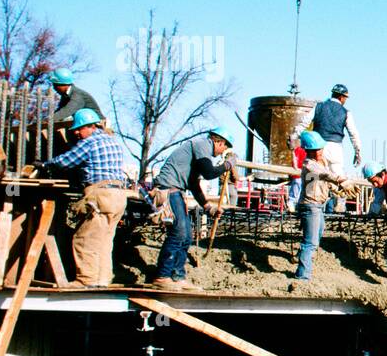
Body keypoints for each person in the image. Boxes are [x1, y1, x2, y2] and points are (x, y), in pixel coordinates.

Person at [34, 109, 131, 288]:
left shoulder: (90, 142)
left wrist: (45, 164)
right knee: (103, 240)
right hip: (118, 196)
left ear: (91, 126)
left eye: (79, 129)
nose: (76, 133)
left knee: (84, 238)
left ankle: (86, 280)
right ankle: (102, 280)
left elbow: (66, 161)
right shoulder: (112, 141)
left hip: (101, 195)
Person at [151, 126, 237, 290]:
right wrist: (227, 165)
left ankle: (177, 276)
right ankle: (162, 275)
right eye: (224, 146)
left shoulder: (199, 153)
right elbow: (209, 173)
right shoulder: (202, 144)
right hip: (169, 189)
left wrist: (207, 207)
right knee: (179, 232)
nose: (223, 151)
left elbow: (193, 184)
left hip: (177, 190)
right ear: (217, 141)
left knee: (187, 235)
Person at [291, 130, 361, 285]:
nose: (321, 153)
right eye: (318, 150)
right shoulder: (309, 165)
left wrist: (337, 189)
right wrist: (342, 180)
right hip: (310, 206)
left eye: (321, 149)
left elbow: (325, 181)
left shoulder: (318, 164)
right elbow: (325, 175)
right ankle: (302, 276)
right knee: (310, 242)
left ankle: (302, 256)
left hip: (318, 205)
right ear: (310, 151)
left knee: (318, 234)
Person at [308, 84, 362, 211]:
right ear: (342, 97)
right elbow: (353, 133)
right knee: (338, 176)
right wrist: (357, 152)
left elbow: (304, 121)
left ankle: (315, 205)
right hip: (335, 148)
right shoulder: (345, 112)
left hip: (318, 146)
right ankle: (339, 204)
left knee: (316, 177)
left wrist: (295, 136)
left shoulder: (319, 107)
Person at [49, 69, 105, 153]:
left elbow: (66, 111)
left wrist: (48, 120)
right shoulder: (66, 95)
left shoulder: (77, 95)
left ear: (63, 84)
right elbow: (59, 110)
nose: (54, 88)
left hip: (95, 127)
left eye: (56, 85)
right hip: (84, 125)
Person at [286, 133, 305, 212]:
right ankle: (291, 202)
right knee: (297, 183)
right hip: (299, 174)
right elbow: (295, 161)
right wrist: (296, 169)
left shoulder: (301, 150)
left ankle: (296, 203)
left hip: (304, 173)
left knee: (301, 186)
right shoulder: (297, 150)